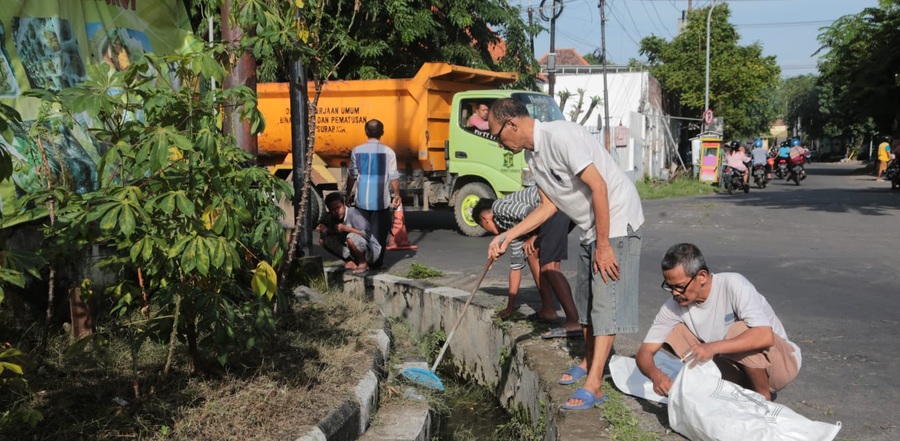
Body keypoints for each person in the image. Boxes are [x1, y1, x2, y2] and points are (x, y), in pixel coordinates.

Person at [486, 98, 644, 411]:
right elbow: (548, 206)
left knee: (605, 304)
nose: (500, 143)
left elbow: (598, 187)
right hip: (591, 225)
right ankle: (587, 362)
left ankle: (595, 383)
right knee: (586, 305)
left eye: (498, 135)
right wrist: (508, 235)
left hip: (617, 218)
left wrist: (603, 245)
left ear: (512, 124)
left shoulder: (561, 137)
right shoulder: (534, 156)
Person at [636, 243, 801, 401]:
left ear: (701, 276)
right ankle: (737, 391)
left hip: (780, 365)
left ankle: (763, 398)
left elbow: (765, 336)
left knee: (740, 330)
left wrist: (712, 347)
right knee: (675, 332)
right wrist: (655, 375)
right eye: (669, 287)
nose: (674, 293)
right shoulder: (673, 306)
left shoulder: (733, 284)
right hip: (736, 369)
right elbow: (644, 353)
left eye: (680, 286)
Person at [472, 187, 581, 339]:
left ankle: (573, 321)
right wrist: (510, 306)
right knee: (531, 253)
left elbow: (531, 211)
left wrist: (535, 235)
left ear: (484, 219)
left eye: (485, 227)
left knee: (550, 266)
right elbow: (516, 266)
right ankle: (548, 310)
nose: (490, 231)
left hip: (555, 204)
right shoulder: (511, 228)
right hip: (555, 209)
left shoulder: (499, 207)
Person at [346, 119, 402, 268]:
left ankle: (362, 260)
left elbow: (352, 175)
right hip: (380, 202)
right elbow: (393, 176)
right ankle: (377, 262)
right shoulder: (389, 152)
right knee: (379, 234)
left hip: (361, 201)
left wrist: (347, 194)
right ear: (382, 133)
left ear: (366, 132)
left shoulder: (356, 151)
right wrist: (397, 195)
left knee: (361, 231)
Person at [316, 192, 382, 275]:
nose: (336, 211)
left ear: (343, 205)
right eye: (333, 209)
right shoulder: (331, 218)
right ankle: (350, 261)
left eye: (338, 207)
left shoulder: (354, 215)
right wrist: (326, 230)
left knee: (350, 237)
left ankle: (363, 263)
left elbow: (367, 234)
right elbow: (336, 234)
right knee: (323, 240)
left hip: (371, 251)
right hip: (353, 250)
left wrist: (346, 229)